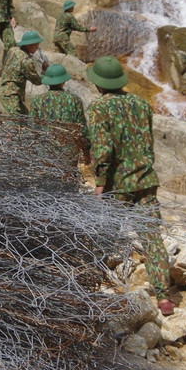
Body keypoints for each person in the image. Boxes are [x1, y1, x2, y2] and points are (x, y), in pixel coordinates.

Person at [86, 56, 174, 315]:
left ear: (99, 84)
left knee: (103, 234)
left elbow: (103, 151)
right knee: (152, 238)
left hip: (119, 183)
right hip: (146, 179)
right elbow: (146, 141)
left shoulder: (99, 108)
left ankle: (90, 288)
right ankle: (164, 298)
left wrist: (100, 182)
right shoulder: (141, 103)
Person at [31, 64, 90, 162]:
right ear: (64, 81)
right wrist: (86, 151)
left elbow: (32, 127)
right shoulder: (74, 100)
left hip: (45, 151)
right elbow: (82, 129)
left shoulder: (37, 100)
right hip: (68, 153)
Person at [0, 30, 48, 115]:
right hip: (12, 96)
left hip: (5, 91)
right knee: (15, 124)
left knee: (25, 117)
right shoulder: (26, 61)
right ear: (29, 45)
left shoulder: (13, 50)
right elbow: (37, 81)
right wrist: (44, 71)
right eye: (36, 45)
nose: (37, 48)